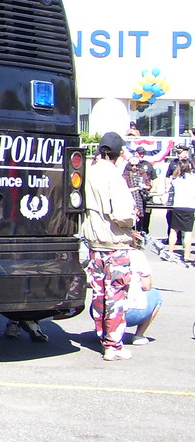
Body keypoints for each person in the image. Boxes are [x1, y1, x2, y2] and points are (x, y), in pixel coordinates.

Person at [82, 131, 137, 361]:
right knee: (116, 294)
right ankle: (113, 345)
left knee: (99, 293)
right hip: (115, 242)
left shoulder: (89, 172)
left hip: (94, 242)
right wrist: (132, 220)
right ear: (119, 153)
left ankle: (101, 335)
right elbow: (123, 214)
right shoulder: (115, 176)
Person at [124, 238, 162, 345]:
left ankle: (105, 332)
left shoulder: (103, 254)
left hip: (103, 311)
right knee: (155, 295)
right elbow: (146, 286)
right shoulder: (137, 255)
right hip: (131, 313)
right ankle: (139, 335)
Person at [166, 159, 195, 262]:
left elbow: (169, 190)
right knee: (188, 232)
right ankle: (187, 254)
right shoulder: (193, 178)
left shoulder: (176, 179)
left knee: (174, 230)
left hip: (178, 206)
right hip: (190, 206)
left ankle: (170, 252)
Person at [124, 147, 155, 236]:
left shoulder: (142, 173)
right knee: (130, 219)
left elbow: (149, 185)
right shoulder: (126, 174)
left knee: (140, 219)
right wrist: (135, 188)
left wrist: (144, 186)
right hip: (129, 199)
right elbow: (123, 188)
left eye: (136, 165)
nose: (134, 167)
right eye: (132, 165)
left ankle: (139, 235)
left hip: (140, 199)